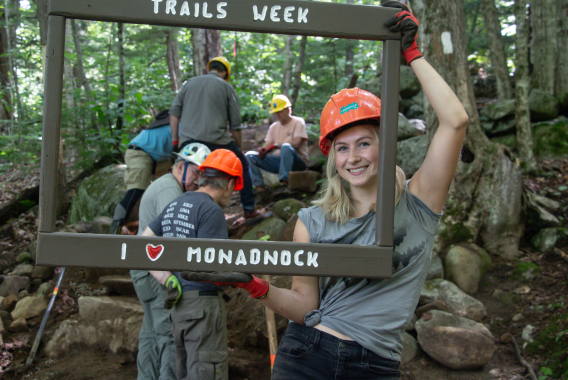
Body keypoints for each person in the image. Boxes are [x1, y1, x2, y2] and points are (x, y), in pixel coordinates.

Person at [182, 2, 469, 378]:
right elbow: (305, 305)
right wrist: (255, 286)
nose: (353, 157)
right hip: (305, 354)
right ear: (332, 156)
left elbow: (455, 121)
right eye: (342, 147)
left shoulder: (418, 204)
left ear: (385, 144)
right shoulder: (311, 222)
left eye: (364, 143)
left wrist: (411, 54)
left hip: (375, 366)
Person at [142, 149, 245, 380]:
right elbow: (215, 267)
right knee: (207, 372)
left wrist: (167, 277)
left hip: (178, 308)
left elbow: (144, 243)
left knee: (186, 371)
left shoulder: (175, 203)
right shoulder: (211, 210)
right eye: (233, 189)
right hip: (203, 305)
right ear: (229, 183)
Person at [130, 143, 211, 380]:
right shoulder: (169, 190)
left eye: (202, 174)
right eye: (195, 171)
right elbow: (175, 237)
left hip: (145, 268)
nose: (198, 178)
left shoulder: (166, 185)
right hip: (156, 270)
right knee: (168, 333)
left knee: (150, 332)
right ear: (180, 166)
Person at [169, 56, 260, 219]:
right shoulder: (226, 87)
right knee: (243, 165)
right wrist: (238, 150)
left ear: (209, 69)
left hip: (189, 143)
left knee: (181, 175)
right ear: (225, 72)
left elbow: (174, 113)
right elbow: (235, 125)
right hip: (216, 142)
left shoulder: (189, 83)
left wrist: (176, 142)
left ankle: (176, 216)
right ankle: (249, 210)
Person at [109, 110, 174, 234]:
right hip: (140, 152)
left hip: (156, 158)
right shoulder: (181, 125)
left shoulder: (175, 122)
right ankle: (114, 229)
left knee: (178, 173)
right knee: (135, 192)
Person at [246, 94, 308, 192]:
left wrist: (276, 146)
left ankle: (284, 184)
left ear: (288, 109)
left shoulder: (298, 122)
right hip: (279, 163)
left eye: (280, 111)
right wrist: (263, 151)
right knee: (249, 156)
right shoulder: (274, 127)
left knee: (286, 147)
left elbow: (296, 143)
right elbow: (267, 145)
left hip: (297, 162)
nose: (278, 115)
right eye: (276, 113)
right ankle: (260, 188)